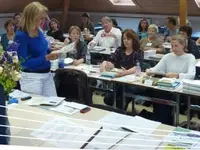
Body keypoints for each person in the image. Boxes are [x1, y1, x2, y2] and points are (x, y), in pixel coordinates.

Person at [146, 35, 196, 125]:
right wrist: (150, 71)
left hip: (181, 88)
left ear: (183, 45)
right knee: (157, 94)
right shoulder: (168, 56)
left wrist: (177, 75)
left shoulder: (190, 57)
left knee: (162, 97)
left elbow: (191, 75)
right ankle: (161, 120)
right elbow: (156, 68)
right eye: (172, 46)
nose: (174, 48)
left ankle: (162, 121)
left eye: (176, 46)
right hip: (166, 86)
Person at [15, 2, 58, 96]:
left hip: (47, 74)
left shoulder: (38, 30)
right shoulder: (21, 35)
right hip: (32, 78)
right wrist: (46, 58)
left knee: (53, 106)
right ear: (31, 18)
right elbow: (23, 63)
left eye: (44, 18)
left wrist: (52, 52)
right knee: (37, 108)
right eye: (40, 18)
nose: (42, 21)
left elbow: (42, 50)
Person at [100, 29, 144, 109]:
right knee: (108, 99)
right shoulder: (120, 50)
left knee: (120, 100)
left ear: (133, 40)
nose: (126, 41)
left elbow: (137, 67)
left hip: (132, 82)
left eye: (128, 39)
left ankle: (120, 109)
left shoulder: (138, 52)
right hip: (119, 80)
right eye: (124, 39)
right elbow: (111, 61)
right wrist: (104, 63)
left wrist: (125, 72)